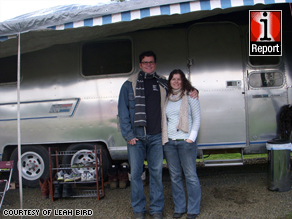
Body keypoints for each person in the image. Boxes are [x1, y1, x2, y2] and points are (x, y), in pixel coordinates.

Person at [118, 51, 198, 219]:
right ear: (140, 64)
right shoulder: (128, 84)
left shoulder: (162, 82)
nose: (149, 65)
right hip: (136, 137)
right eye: (145, 62)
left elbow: (179, 89)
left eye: (151, 62)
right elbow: (123, 112)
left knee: (156, 174)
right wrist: (128, 134)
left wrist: (193, 90)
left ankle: (156, 209)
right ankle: (139, 209)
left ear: (155, 63)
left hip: (156, 137)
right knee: (137, 174)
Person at [161, 69, 201, 219]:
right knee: (175, 176)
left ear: (183, 81)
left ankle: (193, 209)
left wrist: (191, 138)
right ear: (169, 81)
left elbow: (197, 118)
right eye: (173, 79)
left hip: (186, 142)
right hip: (170, 143)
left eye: (179, 79)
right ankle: (179, 207)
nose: (176, 82)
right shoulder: (167, 97)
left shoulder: (190, 95)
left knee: (190, 176)